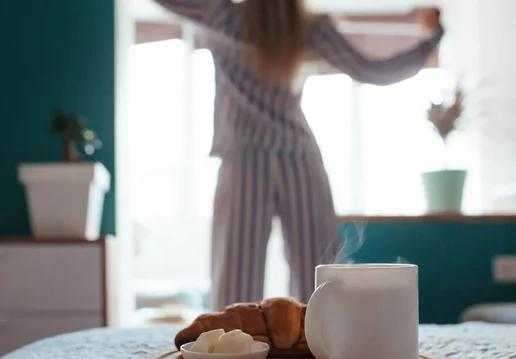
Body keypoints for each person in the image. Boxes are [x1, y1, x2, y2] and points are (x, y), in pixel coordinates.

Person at [152, 0, 443, 310]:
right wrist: (432, 39)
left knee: (237, 294)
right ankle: (321, 350)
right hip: (297, 157)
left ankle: (237, 354)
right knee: (320, 288)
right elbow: (375, 70)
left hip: (246, 159)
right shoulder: (309, 29)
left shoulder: (224, 16)